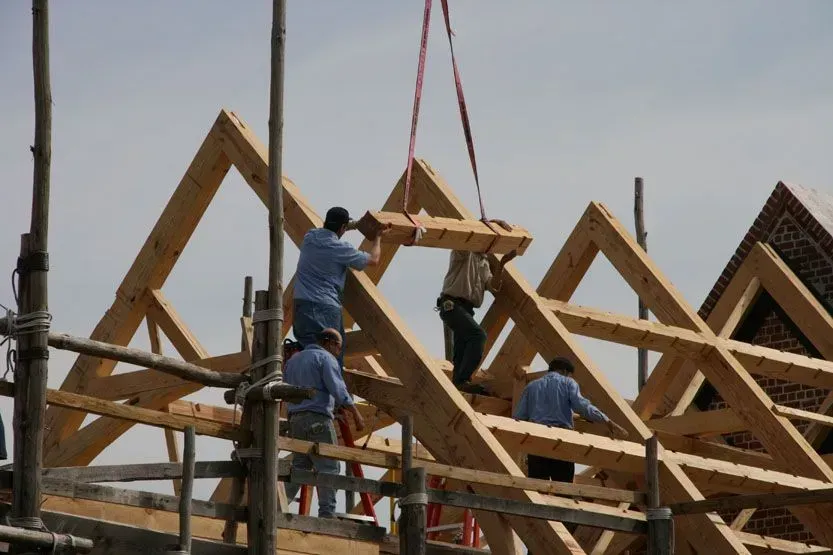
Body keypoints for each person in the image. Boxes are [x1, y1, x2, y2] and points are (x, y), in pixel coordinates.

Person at [283, 328, 365, 518]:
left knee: (300, 467)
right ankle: (327, 514)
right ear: (328, 343)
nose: (338, 352)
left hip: (296, 421)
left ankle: (279, 506)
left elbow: (288, 390)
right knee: (329, 466)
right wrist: (356, 414)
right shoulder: (326, 359)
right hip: (317, 420)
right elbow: (338, 389)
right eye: (338, 347)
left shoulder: (293, 360)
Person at [293, 206, 389, 368]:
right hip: (324, 308)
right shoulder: (339, 249)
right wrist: (378, 237)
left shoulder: (310, 237)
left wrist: (354, 224)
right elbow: (373, 260)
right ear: (343, 228)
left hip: (301, 307)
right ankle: (327, 391)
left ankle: (306, 391)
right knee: (330, 359)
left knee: (308, 357)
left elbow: (335, 228)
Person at [513, 357, 628, 484]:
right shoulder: (568, 383)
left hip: (537, 438)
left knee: (538, 486)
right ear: (564, 371)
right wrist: (607, 421)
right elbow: (582, 406)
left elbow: (519, 417)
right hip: (562, 439)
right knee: (564, 486)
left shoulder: (531, 386)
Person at [437, 220, 518, 395]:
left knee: (462, 348)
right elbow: (467, 234)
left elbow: (492, 285)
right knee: (478, 335)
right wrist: (492, 222)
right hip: (452, 305)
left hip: (466, 309)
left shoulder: (484, 262)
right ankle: (464, 379)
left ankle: (459, 382)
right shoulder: (464, 252)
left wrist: (502, 263)